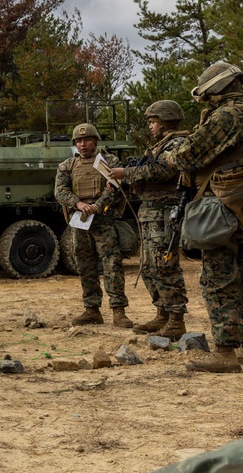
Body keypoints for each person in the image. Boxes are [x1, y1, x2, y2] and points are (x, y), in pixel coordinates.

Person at [162, 61, 243, 373]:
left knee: (218, 278)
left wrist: (173, 155)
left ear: (215, 88)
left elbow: (188, 154)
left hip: (222, 204)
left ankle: (225, 352)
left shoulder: (228, 115)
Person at [107, 100, 190, 341]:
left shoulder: (178, 144)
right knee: (148, 267)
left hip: (164, 213)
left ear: (165, 121)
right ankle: (162, 313)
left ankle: (176, 319)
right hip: (150, 212)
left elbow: (164, 171)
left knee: (164, 266)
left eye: (153, 122)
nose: (151, 127)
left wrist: (127, 173)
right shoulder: (160, 145)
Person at [54, 122, 133, 328]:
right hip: (80, 222)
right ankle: (91, 309)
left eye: (87, 140)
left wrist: (98, 206)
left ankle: (118, 311)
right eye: (78, 141)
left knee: (112, 264)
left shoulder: (109, 162)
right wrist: (78, 203)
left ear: (95, 141)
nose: (82, 144)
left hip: (104, 221)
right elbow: (60, 191)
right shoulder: (67, 165)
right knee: (85, 265)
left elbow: (114, 186)